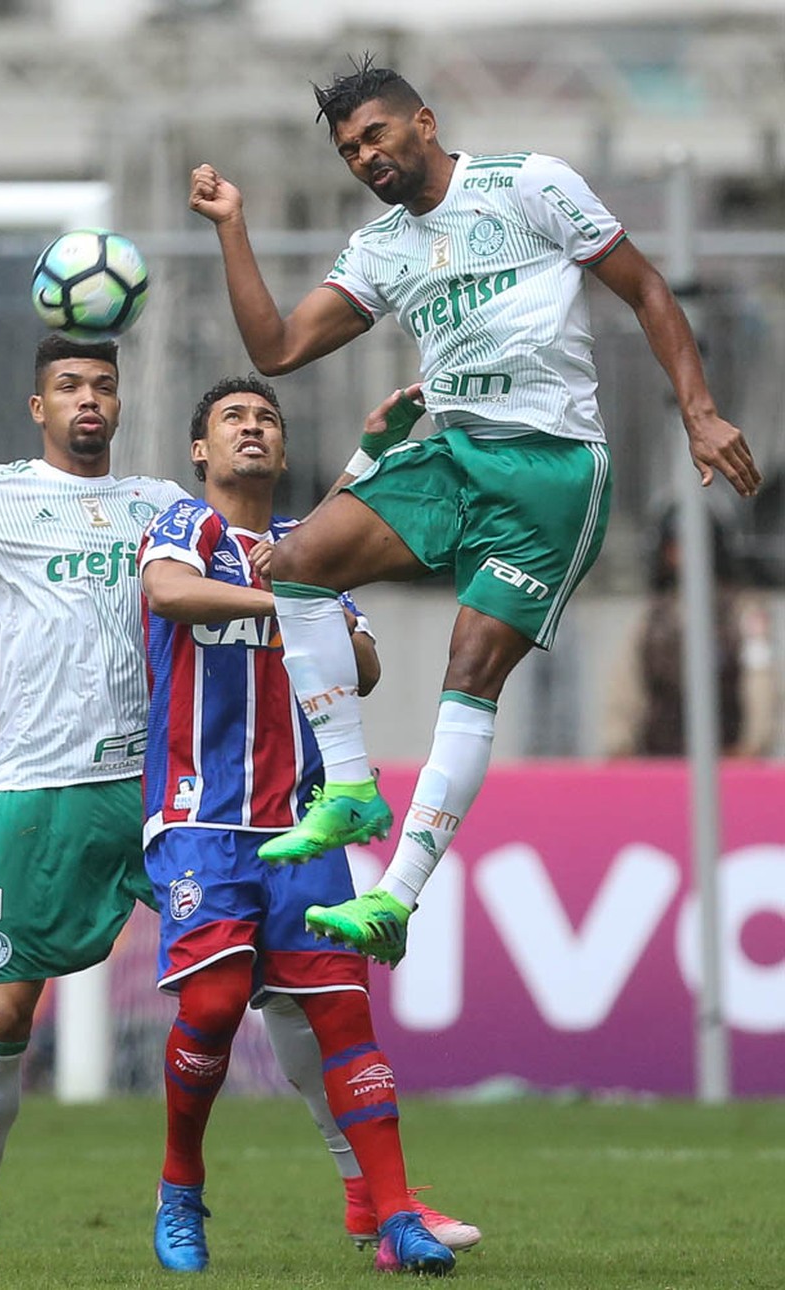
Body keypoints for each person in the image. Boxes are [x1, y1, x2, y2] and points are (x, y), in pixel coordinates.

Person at [0, 334, 472, 1273]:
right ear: (38, 406)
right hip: (45, 787)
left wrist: (364, 465)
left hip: (173, 789)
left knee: (289, 996)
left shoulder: (165, 504)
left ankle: (374, 1196)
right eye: (68, 386)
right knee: (6, 1012)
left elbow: (285, 536)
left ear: (123, 406)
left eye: (103, 384)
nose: (88, 398)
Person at [188, 54, 763, 966]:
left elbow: (647, 288)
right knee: (296, 564)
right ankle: (350, 789)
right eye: (348, 151)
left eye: (374, 135)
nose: (365, 158)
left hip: (551, 468)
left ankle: (395, 896)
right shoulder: (380, 247)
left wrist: (697, 411)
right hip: (454, 454)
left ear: (424, 123)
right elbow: (279, 347)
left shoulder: (528, 185)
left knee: (470, 669)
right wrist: (232, 226)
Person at [138, 373, 470, 1274]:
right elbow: (169, 595)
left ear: (283, 450)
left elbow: (364, 666)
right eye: (232, 419)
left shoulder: (307, 547)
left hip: (304, 823)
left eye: (267, 418)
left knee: (343, 1016)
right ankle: (179, 1186)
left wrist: (309, 592)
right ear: (201, 450)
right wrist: (287, 601)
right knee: (212, 1003)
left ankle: (395, 1218)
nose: (252, 428)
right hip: (201, 816)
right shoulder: (189, 528)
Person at [603, 508, 779, 757]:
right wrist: (619, 745)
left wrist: (754, 744)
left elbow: (760, 681)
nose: (684, 555)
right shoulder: (650, 619)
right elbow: (625, 686)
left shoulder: (744, 612)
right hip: (659, 760)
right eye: (675, 547)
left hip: (729, 759)